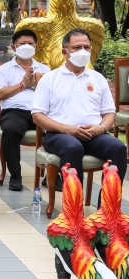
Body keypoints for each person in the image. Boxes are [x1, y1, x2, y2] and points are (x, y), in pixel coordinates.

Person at [32, 28, 126, 199]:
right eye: (77, 47)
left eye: (87, 47)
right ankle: (74, 210)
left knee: (118, 147)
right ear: (64, 52)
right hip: (59, 134)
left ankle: (106, 209)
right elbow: (37, 115)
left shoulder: (98, 79)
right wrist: (66, 129)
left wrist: (102, 128)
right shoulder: (50, 79)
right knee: (73, 147)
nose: (83, 51)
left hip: (93, 134)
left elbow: (109, 113)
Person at [0, 29, 50, 191]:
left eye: (30, 43)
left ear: (36, 47)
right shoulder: (5, 69)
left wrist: (36, 85)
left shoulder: (45, 70)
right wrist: (23, 85)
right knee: (10, 130)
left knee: (59, 130)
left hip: (41, 111)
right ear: (14, 47)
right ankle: (15, 175)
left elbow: (53, 95)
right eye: (22, 44)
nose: (27, 46)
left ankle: (54, 174)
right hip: (15, 112)